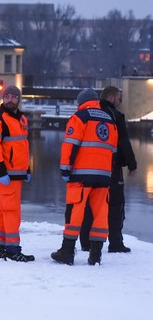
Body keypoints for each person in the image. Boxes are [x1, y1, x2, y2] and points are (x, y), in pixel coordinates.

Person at [51, 88, 118, 266]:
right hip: (103, 176)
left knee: (75, 212)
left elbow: (70, 145)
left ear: (81, 102)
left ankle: (67, 252)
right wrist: (107, 171)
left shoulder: (80, 116)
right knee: (101, 213)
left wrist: (66, 169)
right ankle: (95, 255)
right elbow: (113, 150)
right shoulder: (109, 119)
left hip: (81, 174)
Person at [79, 85, 137, 253]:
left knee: (90, 205)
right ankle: (115, 243)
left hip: (90, 167)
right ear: (112, 98)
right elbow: (123, 141)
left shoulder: (91, 114)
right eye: (119, 97)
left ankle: (86, 242)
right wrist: (132, 164)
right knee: (116, 205)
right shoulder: (115, 115)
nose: (120, 101)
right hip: (112, 167)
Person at [0, 85, 34, 262]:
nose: (9, 100)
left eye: (13, 97)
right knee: (12, 211)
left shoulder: (21, 119)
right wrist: (1, 171)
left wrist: (27, 169)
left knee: (4, 211)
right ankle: (13, 249)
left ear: (18, 99)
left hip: (17, 173)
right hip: (6, 173)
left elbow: (23, 146)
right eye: (6, 97)